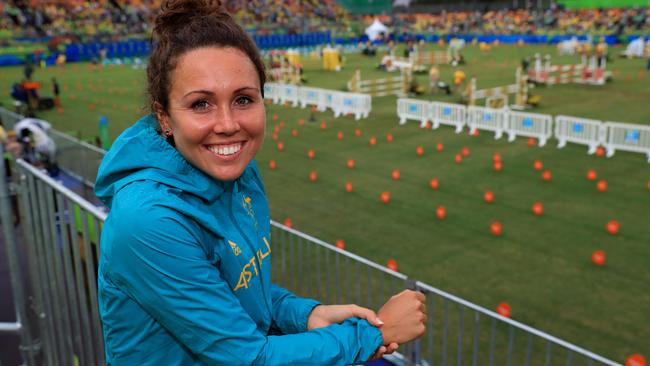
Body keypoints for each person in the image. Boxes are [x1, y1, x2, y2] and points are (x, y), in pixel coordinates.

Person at [94, 1, 427, 365]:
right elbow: (248, 358)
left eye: (243, 99)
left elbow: (232, 289)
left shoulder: (237, 172)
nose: (227, 124)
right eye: (201, 104)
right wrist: (375, 333)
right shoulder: (147, 220)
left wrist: (304, 315)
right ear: (165, 117)